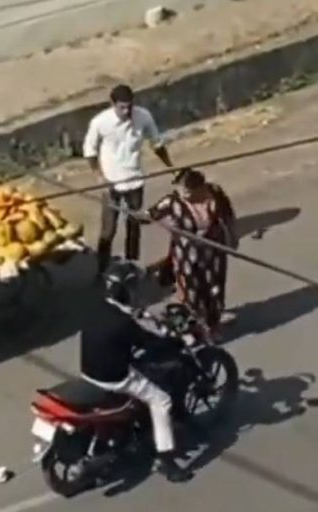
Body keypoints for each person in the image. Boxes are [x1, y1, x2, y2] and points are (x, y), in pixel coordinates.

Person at [80, 261, 193, 483]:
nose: (137, 292)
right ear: (125, 291)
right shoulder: (125, 322)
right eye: (133, 288)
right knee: (161, 401)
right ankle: (167, 461)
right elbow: (151, 341)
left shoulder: (97, 307)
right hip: (115, 377)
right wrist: (174, 336)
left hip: (88, 370)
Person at [83, 84, 173, 279]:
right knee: (108, 229)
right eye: (122, 107)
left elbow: (156, 143)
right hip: (111, 184)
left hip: (135, 181)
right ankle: (102, 269)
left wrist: (170, 166)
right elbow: (89, 151)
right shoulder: (100, 122)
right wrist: (99, 177)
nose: (126, 111)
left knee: (134, 224)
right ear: (112, 104)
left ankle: (131, 264)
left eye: (129, 107)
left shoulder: (143, 116)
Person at [145, 168, 238, 340]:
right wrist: (134, 214)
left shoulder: (214, 193)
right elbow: (149, 215)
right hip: (186, 254)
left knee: (214, 290)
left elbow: (228, 216)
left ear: (199, 188)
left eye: (186, 191)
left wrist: (233, 238)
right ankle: (195, 327)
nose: (182, 193)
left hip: (213, 252)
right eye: (179, 189)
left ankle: (213, 324)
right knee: (191, 292)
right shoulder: (172, 201)